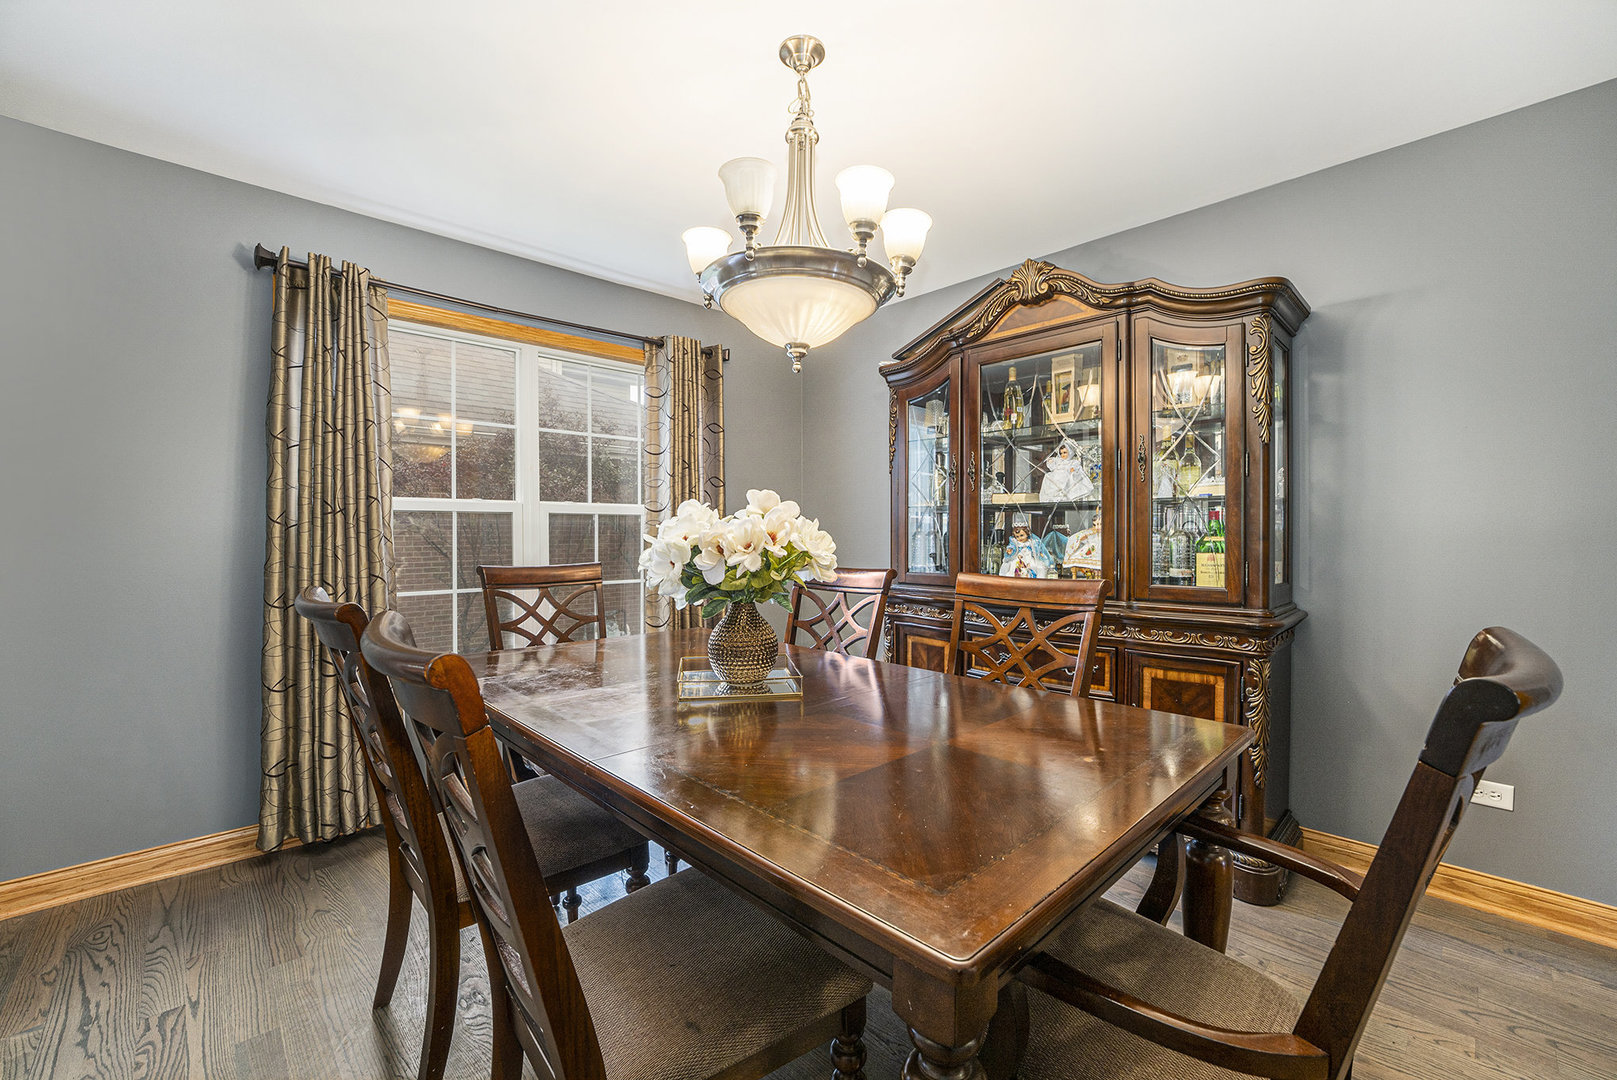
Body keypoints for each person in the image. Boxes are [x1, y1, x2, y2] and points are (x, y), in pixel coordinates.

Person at [1063, 510, 1103, 578]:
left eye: (1099, 524)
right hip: (1091, 549)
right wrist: (1082, 538)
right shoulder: (1091, 532)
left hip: (1100, 551)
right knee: (1077, 556)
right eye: (1095, 525)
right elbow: (1081, 537)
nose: (1097, 527)